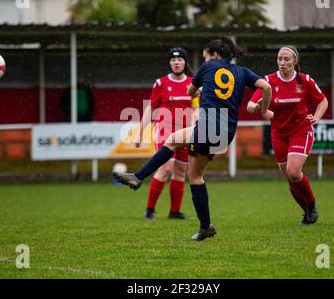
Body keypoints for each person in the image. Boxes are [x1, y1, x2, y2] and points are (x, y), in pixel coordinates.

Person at [113, 36, 272, 241]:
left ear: (214, 55)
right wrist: (265, 110)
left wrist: (201, 85)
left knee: (189, 168)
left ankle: (140, 178)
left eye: (206, 58)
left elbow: (190, 91)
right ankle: (202, 225)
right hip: (226, 131)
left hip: (208, 126)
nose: (205, 62)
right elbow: (266, 87)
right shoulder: (242, 71)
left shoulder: (207, 68)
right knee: (182, 154)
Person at [247, 45, 328, 225]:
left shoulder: (304, 80)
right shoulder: (268, 82)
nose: (282, 63)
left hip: (301, 131)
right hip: (279, 134)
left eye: (286, 59)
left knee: (293, 171)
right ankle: (307, 212)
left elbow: (323, 101)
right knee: (290, 178)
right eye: (279, 59)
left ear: (295, 61)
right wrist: (257, 107)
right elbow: (250, 106)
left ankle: (312, 204)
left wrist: (316, 116)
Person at [135, 47, 199, 220]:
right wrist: (140, 132)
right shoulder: (161, 83)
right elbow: (151, 108)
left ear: (185, 62)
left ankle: (174, 211)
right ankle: (149, 210)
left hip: (185, 133)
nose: (176, 63)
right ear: (169, 63)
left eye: (179, 60)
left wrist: (195, 127)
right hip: (165, 130)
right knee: (165, 168)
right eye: (172, 60)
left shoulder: (193, 84)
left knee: (180, 171)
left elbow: (196, 108)